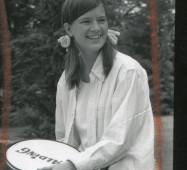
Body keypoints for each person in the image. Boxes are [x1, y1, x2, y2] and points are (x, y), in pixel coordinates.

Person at [53, 0, 155, 169]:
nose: (96, 28)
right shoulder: (66, 80)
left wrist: (72, 165)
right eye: (86, 21)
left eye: (101, 20)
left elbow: (119, 140)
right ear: (69, 29)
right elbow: (64, 139)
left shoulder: (128, 71)